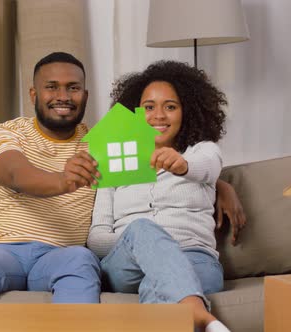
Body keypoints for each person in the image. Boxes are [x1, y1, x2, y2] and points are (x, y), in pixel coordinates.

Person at [0, 52, 103, 332]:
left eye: (73, 88)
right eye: (52, 87)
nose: (63, 96)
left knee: (82, 260)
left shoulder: (98, 144)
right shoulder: (8, 132)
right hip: (0, 251)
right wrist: (63, 180)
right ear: (33, 93)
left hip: (60, 254)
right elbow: (15, 175)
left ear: (85, 96)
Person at [87, 60, 241, 332]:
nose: (159, 115)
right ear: (135, 112)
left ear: (187, 112)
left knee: (157, 287)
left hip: (194, 258)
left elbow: (206, 166)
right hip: (127, 265)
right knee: (143, 229)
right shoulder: (113, 162)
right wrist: (140, 241)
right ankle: (198, 312)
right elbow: (97, 238)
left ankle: (187, 306)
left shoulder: (202, 152)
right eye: (149, 107)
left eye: (170, 106)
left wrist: (181, 165)